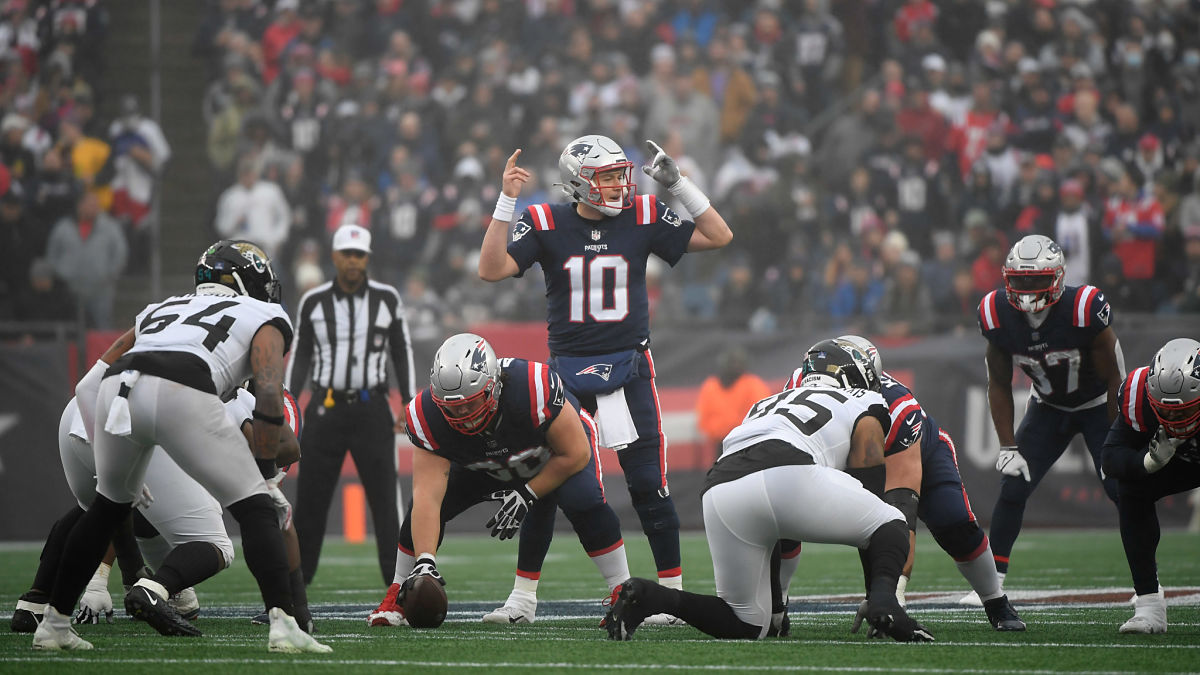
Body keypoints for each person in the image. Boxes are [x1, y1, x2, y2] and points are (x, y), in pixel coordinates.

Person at [477, 135, 732, 623]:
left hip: (628, 365)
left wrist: (679, 184)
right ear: (578, 182)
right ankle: (523, 599)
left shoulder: (644, 214)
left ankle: (670, 598)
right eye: (608, 177)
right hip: (566, 372)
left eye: (620, 174)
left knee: (648, 484)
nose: (619, 184)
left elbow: (719, 236)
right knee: (549, 481)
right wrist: (507, 199)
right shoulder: (546, 220)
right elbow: (491, 269)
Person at [30, 240, 329, 653]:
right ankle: (284, 625)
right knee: (257, 507)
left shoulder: (162, 308)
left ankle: (54, 624)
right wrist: (263, 473)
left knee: (105, 511)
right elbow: (268, 393)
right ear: (248, 282)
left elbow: (87, 385)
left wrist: (113, 463)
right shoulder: (265, 314)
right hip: (182, 388)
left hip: (118, 389)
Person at [603, 340, 932, 643]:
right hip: (788, 471)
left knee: (747, 624)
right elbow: (870, 483)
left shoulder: (766, 402)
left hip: (721, 485)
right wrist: (877, 592)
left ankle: (650, 596)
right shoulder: (865, 399)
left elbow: (772, 519)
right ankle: (886, 603)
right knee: (892, 520)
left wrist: (776, 606)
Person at [366, 333, 630, 627]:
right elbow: (427, 495)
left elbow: (575, 454)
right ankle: (399, 592)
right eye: (451, 407)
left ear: (493, 386)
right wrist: (424, 561)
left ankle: (623, 591)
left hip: (551, 452)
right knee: (421, 507)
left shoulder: (532, 387)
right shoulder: (426, 414)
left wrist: (528, 492)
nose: (462, 414)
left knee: (582, 499)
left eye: (470, 403)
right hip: (483, 462)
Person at [777, 336, 1024, 633]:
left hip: (911, 454)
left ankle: (995, 600)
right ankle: (778, 603)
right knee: (783, 509)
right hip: (840, 453)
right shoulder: (798, 384)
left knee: (953, 521)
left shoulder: (896, 410)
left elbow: (900, 515)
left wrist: (891, 595)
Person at [964, 234, 1124, 605]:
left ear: (1058, 277)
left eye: (1036, 279)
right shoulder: (996, 313)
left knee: (1121, 489)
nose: (1027, 289)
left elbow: (1115, 376)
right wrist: (1007, 446)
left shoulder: (1083, 307)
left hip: (1098, 403)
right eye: (1019, 280)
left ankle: (1150, 585)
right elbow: (998, 383)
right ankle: (992, 582)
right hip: (1049, 405)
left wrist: (1121, 434)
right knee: (1014, 485)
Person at [286, 224, 415, 587]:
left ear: (367, 258)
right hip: (325, 409)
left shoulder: (387, 298)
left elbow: (401, 349)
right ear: (335, 256)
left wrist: (407, 401)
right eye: (347, 254)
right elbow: (301, 355)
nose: (353, 261)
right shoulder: (314, 301)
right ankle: (295, 590)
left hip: (372, 408)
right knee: (310, 501)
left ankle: (397, 587)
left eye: (359, 255)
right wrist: (288, 404)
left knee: (386, 502)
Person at [1101, 338, 1200, 634]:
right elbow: (1110, 458)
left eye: (1183, 411)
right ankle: (1149, 605)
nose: (1173, 418)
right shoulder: (1138, 394)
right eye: (1165, 411)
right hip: (1178, 461)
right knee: (1131, 488)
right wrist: (1147, 462)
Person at [695, 347, 771, 461]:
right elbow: (704, 420)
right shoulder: (710, 387)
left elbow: (762, 416)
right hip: (721, 444)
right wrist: (722, 431)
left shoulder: (753, 385)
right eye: (731, 363)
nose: (734, 367)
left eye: (738, 363)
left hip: (748, 444)